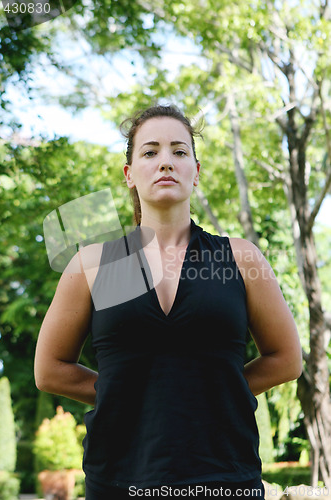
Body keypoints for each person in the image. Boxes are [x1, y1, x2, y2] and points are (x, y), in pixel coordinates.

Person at [34, 104, 303, 499]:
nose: (166, 162)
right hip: (119, 478)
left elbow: (286, 359)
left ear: (196, 173)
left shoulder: (242, 258)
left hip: (226, 478)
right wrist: (130, 390)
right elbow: (50, 370)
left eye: (179, 152)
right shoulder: (90, 265)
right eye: (150, 152)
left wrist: (213, 389)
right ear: (129, 175)